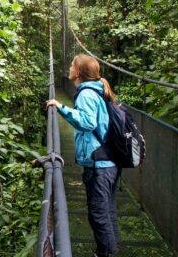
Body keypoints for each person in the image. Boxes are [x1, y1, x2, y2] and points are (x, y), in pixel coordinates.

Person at [45, 54, 121, 257]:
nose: (69, 68)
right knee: (107, 210)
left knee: (98, 213)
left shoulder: (87, 94)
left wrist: (60, 107)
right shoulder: (99, 90)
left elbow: (88, 123)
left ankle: (105, 253)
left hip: (100, 165)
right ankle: (109, 249)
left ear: (78, 72)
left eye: (72, 65)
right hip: (109, 162)